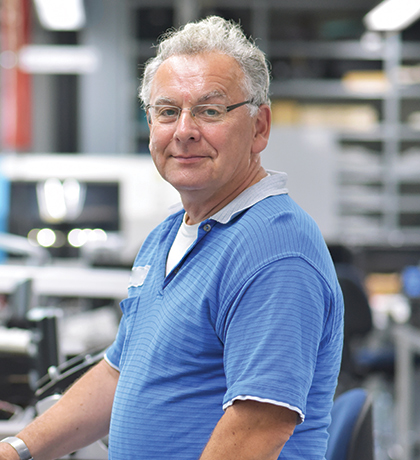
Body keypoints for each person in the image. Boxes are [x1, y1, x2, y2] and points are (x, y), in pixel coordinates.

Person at [0, 16, 343, 460]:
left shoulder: (276, 250)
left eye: (210, 110)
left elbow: (257, 429)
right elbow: (118, 373)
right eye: (167, 111)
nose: (184, 131)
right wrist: (18, 448)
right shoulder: (169, 234)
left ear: (260, 128)